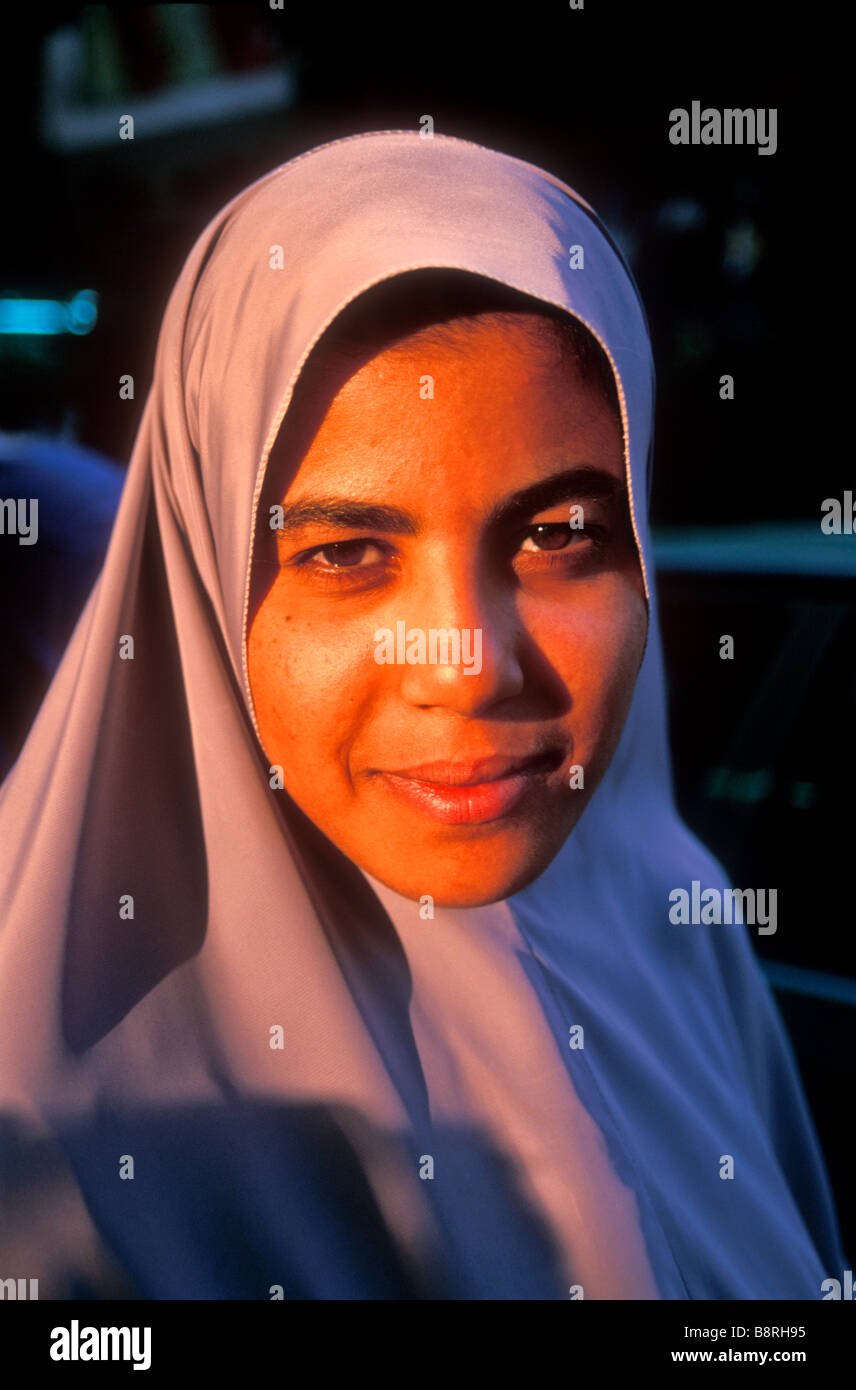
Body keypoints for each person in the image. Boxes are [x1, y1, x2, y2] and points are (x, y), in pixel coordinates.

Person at [0, 130, 845, 1300]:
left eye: (557, 537)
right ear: (201, 576)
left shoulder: (671, 924)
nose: (466, 665)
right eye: (347, 551)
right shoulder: (46, 1140)